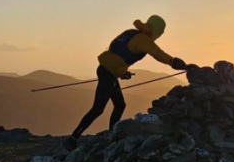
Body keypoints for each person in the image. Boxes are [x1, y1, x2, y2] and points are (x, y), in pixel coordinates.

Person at [66, 15, 187, 148]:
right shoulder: (144, 40)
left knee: (120, 105)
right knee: (98, 109)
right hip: (109, 73)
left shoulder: (132, 33)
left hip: (107, 70)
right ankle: (73, 138)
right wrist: (174, 62)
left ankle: (113, 134)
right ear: (157, 31)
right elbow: (157, 53)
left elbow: (117, 55)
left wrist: (122, 73)